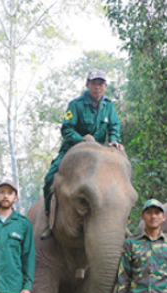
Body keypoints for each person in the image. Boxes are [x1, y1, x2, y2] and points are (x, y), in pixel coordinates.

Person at [41, 68, 124, 239]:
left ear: (105, 86)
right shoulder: (76, 104)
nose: (97, 87)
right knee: (50, 178)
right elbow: (66, 129)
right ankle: (49, 219)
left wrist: (114, 139)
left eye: (101, 84)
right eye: (94, 84)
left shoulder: (109, 106)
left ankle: (122, 222)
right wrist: (81, 140)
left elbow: (114, 125)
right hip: (72, 149)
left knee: (119, 179)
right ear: (87, 85)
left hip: (98, 152)